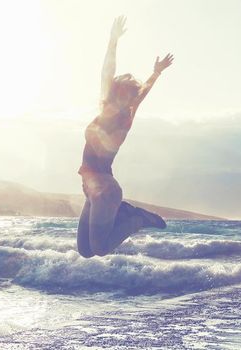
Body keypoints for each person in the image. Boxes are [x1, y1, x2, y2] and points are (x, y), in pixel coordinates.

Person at [77, 16, 173, 258]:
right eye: (119, 92)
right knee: (86, 251)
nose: (123, 98)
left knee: (99, 249)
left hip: (105, 189)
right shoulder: (104, 110)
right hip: (91, 188)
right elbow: (106, 71)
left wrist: (156, 75)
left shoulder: (125, 118)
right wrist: (113, 41)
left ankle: (136, 219)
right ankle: (128, 214)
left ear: (129, 99)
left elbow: (142, 93)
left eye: (128, 96)